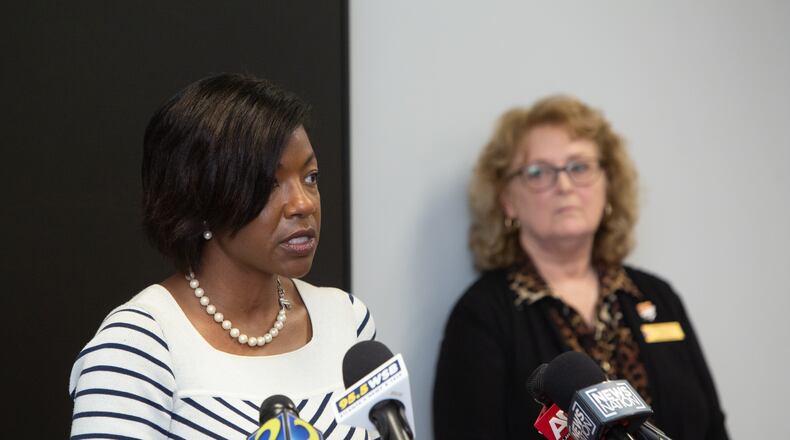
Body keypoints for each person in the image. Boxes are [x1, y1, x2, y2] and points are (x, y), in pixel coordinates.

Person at [69, 74, 375, 439]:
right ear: (202, 199)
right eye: (270, 183)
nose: (303, 204)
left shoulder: (349, 321)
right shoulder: (138, 347)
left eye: (310, 177)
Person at [433, 96, 729, 439]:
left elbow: (714, 430)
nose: (564, 185)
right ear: (508, 201)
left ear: (608, 185)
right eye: (538, 172)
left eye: (579, 167)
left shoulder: (658, 297)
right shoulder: (483, 314)